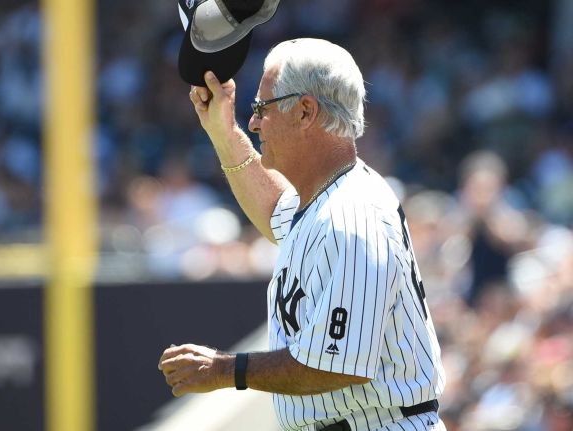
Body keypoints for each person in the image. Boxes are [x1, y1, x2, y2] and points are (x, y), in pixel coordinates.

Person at [158, 38, 446, 430]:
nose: (255, 121)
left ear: (306, 111)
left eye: (262, 108)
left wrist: (225, 369)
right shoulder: (326, 197)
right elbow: (274, 210)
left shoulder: (353, 217)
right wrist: (224, 133)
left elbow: (335, 364)